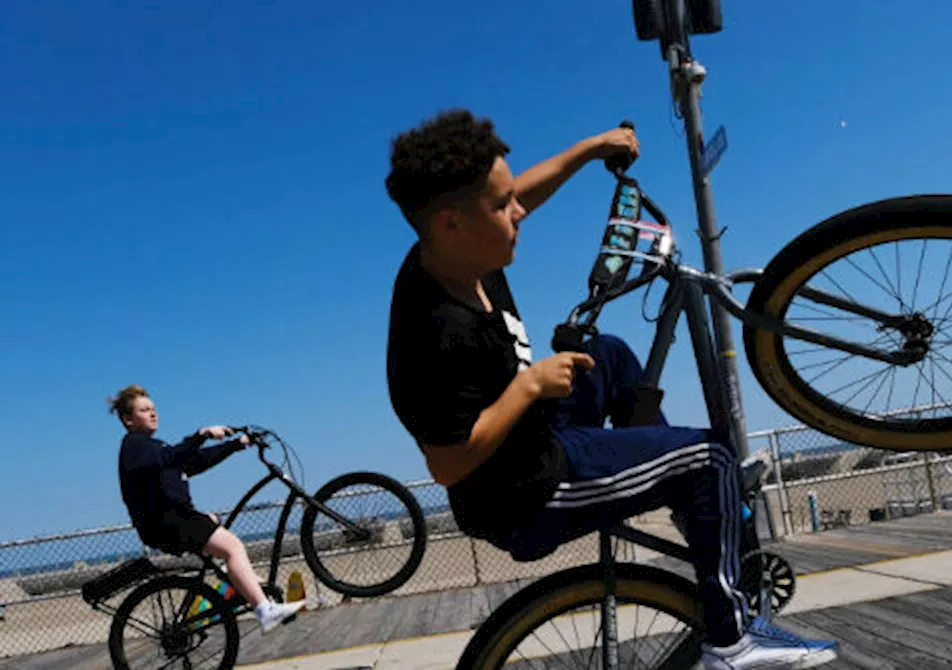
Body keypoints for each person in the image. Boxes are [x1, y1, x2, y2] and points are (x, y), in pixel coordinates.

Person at [382, 109, 838, 668]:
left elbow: (522, 188)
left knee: (611, 357)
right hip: (525, 496)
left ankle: (684, 502)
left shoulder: (457, 250)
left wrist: (593, 147)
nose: (519, 211)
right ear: (452, 223)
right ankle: (733, 639)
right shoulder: (435, 330)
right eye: (504, 206)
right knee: (711, 458)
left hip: (532, 443)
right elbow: (448, 464)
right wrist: (526, 388)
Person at [110, 385, 306, 633]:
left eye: (153, 408)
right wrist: (200, 435)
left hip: (176, 519)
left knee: (220, 538)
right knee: (233, 546)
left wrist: (237, 444)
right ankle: (264, 611)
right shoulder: (135, 447)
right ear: (128, 419)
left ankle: (252, 589)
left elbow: (196, 461)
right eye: (144, 410)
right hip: (168, 522)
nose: (153, 413)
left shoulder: (153, 449)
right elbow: (173, 456)